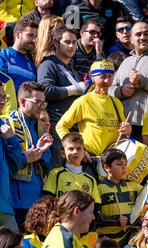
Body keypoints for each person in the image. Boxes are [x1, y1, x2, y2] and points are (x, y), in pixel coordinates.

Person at [56, 60, 132, 168]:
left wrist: (127, 130)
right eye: (103, 76)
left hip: (111, 162)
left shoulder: (116, 102)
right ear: (93, 77)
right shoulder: (84, 101)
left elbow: (122, 132)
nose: (107, 80)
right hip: (89, 160)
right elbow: (61, 126)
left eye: (110, 76)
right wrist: (77, 150)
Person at [4, 81, 53, 233]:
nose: (41, 107)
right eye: (37, 102)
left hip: (36, 203)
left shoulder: (40, 127)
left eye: (43, 102)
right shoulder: (7, 123)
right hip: (13, 202)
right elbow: (3, 163)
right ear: (22, 101)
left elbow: (49, 166)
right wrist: (26, 158)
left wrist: (42, 153)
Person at [37, 26, 85, 168]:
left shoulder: (71, 68)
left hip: (71, 128)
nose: (71, 46)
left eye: (74, 42)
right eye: (67, 42)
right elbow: (45, 91)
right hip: (56, 127)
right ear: (56, 43)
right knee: (56, 172)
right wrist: (74, 89)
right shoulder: (48, 64)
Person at [96, 149, 144, 248]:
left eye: (125, 164)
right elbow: (94, 217)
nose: (124, 167)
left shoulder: (135, 187)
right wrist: (115, 221)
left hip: (131, 236)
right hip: (108, 241)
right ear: (107, 167)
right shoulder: (99, 189)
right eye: (119, 164)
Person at [41, 133, 101, 212]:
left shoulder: (91, 180)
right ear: (63, 153)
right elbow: (47, 201)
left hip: (82, 222)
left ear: (84, 153)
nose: (75, 152)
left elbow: (95, 206)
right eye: (71, 149)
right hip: (61, 221)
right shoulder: (55, 174)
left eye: (79, 149)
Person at [0, 87, 22, 231]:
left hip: (4, 205)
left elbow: (14, 167)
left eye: (4, 98)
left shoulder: (4, 128)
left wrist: (12, 140)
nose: (2, 102)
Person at [0, 17, 38, 93]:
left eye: (36, 37)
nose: (34, 40)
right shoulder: (2, 56)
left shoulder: (32, 67)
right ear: (18, 34)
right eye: (30, 35)